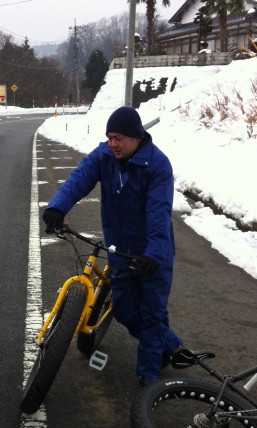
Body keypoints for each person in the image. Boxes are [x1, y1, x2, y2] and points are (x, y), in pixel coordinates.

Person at [42, 106, 182, 385]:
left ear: (136, 137)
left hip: (153, 255)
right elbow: (79, 179)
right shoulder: (103, 155)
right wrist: (57, 207)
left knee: (152, 315)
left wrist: (154, 254)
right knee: (124, 310)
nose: (113, 144)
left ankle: (148, 380)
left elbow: (159, 214)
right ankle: (171, 346)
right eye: (109, 137)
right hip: (120, 250)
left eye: (118, 138)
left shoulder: (157, 165)